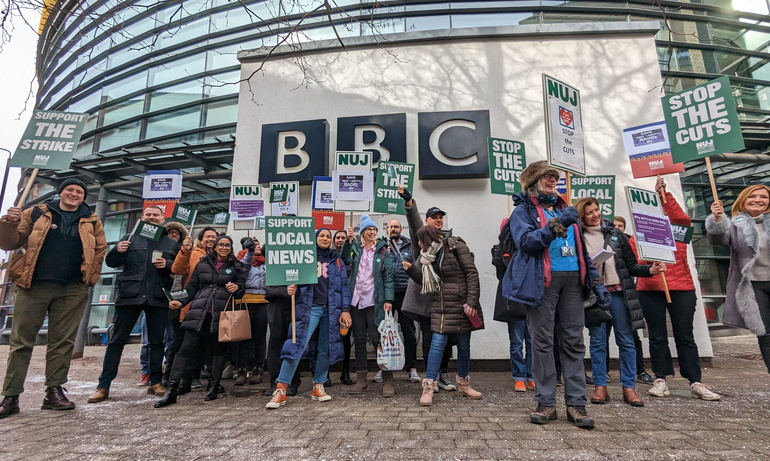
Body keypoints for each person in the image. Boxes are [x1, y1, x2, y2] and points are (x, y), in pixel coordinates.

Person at [502, 161, 609, 429]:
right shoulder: (522, 211)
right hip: (543, 283)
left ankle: (576, 404)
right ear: (532, 182)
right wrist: (557, 224)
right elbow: (527, 243)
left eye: (554, 176)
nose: (552, 180)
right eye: (546, 176)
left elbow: (581, 250)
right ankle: (546, 403)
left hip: (573, 282)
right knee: (542, 342)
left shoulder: (565, 208)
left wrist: (595, 281)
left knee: (574, 342)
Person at [0, 179, 106, 418]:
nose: (74, 194)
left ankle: (54, 391)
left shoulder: (92, 220)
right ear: (60, 193)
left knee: (62, 342)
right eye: (70, 190)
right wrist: (9, 223)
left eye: (79, 191)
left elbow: (100, 250)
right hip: (33, 286)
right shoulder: (35, 212)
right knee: (21, 343)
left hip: (72, 289)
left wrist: (91, 277)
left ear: (84, 197)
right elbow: (8, 242)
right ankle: (11, 395)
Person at [629, 177, 720, 401]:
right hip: (650, 290)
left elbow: (681, 217)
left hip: (681, 289)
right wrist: (650, 264)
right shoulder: (636, 237)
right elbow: (636, 262)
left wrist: (664, 194)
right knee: (657, 336)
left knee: (685, 335)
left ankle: (695, 380)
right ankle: (660, 378)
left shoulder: (678, 231)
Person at [575, 198, 665, 407]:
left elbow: (631, 266)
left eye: (597, 210)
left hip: (618, 295)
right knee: (597, 342)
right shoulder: (578, 236)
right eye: (589, 212)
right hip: (595, 296)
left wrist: (650, 270)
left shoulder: (615, 234)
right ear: (582, 216)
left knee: (625, 340)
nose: (595, 215)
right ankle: (600, 387)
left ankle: (629, 388)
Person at [88, 206, 180, 403]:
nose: (152, 217)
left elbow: (180, 267)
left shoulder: (170, 242)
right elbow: (112, 263)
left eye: (156, 215)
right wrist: (117, 250)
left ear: (162, 218)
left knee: (157, 342)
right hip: (130, 295)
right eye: (149, 215)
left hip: (157, 295)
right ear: (143, 217)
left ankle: (155, 381)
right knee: (117, 341)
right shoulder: (129, 237)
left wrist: (169, 265)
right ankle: (103, 385)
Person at [155, 235, 247, 407]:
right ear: (215, 246)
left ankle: (213, 386)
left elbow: (242, 288)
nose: (224, 248)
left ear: (231, 247)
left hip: (222, 313)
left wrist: (237, 288)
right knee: (185, 348)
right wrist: (180, 301)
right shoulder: (203, 263)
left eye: (227, 245)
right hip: (199, 311)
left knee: (218, 350)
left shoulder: (237, 266)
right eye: (221, 245)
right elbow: (191, 287)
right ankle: (172, 390)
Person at [265, 228, 352, 409]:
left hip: (331, 309)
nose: (325, 238)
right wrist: (291, 288)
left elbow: (344, 287)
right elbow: (291, 276)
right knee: (296, 346)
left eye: (328, 236)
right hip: (308, 308)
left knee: (325, 348)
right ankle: (280, 389)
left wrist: (345, 309)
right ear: (315, 238)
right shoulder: (305, 257)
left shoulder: (337, 260)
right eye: (322, 235)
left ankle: (318, 386)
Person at [405, 225, 484, 406]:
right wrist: (411, 270)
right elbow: (428, 282)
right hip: (441, 306)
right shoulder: (427, 258)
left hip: (462, 305)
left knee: (464, 345)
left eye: (420, 240)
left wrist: (472, 302)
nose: (418, 244)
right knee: (437, 344)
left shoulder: (456, 246)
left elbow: (472, 273)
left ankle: (464, 384)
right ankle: (428, 388)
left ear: (428, 238)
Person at [398, 187, 458, 392]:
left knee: (447, 339)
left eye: (441, 217)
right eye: (434, 217)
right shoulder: (421, 240)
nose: (438, 220)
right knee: (429, 338)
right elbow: (415, 222)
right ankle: (430, 375)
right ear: (427, 221)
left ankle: (442, 374)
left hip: (445, 299)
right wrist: (410, 203)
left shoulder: (450, 240)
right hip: (425, 301)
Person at [706, 185, 770, 373]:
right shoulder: (735, 224)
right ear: (743, 199)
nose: (758, 200)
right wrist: (717, 220)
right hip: (754, 286)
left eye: (763, 197)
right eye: (752, 196)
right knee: (766, 335)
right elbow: (717, 241)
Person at [340, 215, 395, 397]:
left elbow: (388, 276)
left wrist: (388, 299)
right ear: (362, 232)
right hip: (356, 302)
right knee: (360, 340)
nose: (372, 232)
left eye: (374, 230)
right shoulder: (355, 248)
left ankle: (387, 380)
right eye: (368, 230)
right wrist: (348, 242)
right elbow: (345, 260)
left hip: (375, 302)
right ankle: (362, 380)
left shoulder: (382, 251)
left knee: (378, 340)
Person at [169, 226, 218, 394]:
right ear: (201, 238)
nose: (211, 239)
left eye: (214, 237)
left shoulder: (221, 258)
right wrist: (185, 250)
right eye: (208, 236)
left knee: (206, 346)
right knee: (187, 345)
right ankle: (181, 379)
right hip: (192, 306)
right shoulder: (194, 253)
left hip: (211, 308)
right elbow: (178, 270)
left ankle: (201, 378)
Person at [139, 221, 188, 387]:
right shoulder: (155, 247)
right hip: (155, 298)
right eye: (170, 232)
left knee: (171, 338)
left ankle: (167, 371)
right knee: (148, 339)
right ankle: (146, 372)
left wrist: (168, 264)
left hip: (175, 299)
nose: (173, 235)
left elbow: (182, 269)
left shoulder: (182, 251)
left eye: (177, 233)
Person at [613, 216, 655, 385]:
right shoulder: (606, 241)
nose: (617, 228)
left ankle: (639, 371)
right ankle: (605, 374)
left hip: (630, 294)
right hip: (612, 293)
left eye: (620, 226)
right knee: (602, 336)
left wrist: (650, 269)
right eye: (615, 225)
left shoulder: (631, 243)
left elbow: (633, 266)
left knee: (632, 335)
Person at [386, 219, 420, 384]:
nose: (393, 229)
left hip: (406, 294)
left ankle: (411, 368)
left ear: (401, 229)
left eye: (396, 227)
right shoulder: (382, 246)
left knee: (409, 332)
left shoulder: (410, 246)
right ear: (387, 229)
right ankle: (384, 368)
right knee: (386, 334)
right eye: (390, 227)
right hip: (388, 295)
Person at [234, 237, 269, 387]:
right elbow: (245, 266)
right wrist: (250, 251)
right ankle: (241, 370)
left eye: (258, 244)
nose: (257, 247)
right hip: (245, 301)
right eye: (253, 245)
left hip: (263, 302)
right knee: (244, 338)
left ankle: (258, 369)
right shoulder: (241, 259)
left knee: (260, 338)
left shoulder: (266, 261)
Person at [333, 229, 354, 385]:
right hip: (332, 302)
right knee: (328, 337)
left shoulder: (351, 254)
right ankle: (325, 372)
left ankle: (345, 371)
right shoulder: (329, 256)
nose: (340, 240)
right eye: (338, 237)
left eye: (343, 237)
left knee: (346, 337)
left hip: (348, 302)